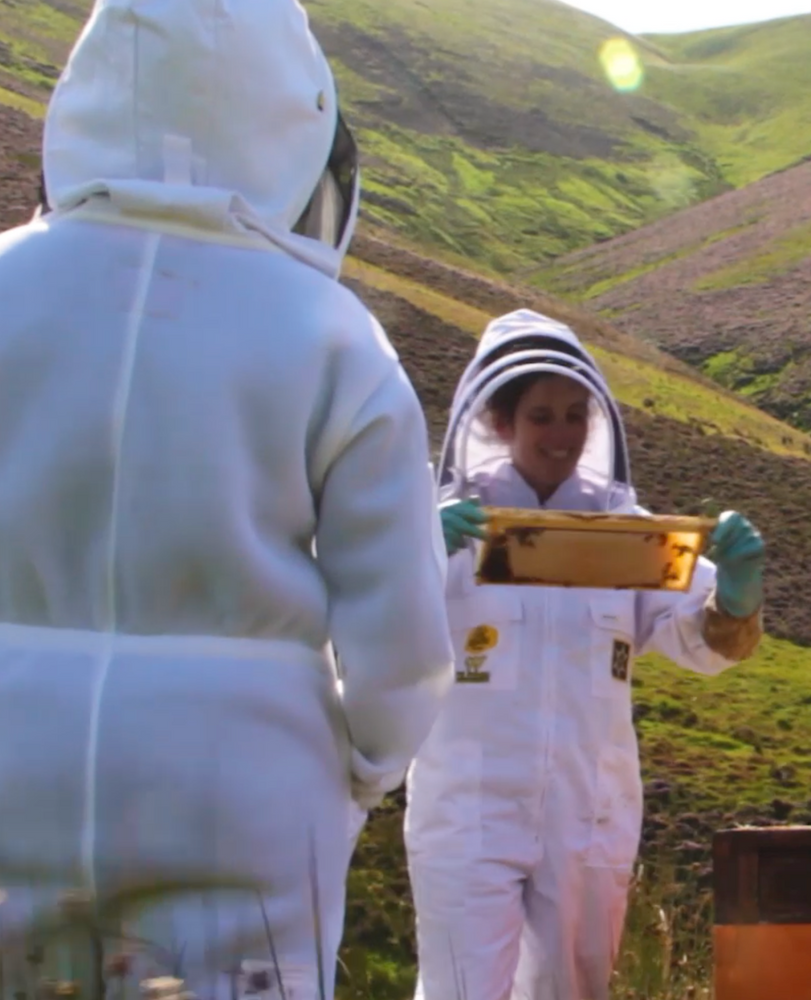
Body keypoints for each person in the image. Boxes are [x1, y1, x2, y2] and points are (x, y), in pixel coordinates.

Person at [0, 0, 454, 996]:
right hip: (245, 792)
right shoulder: (336, 339)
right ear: (299, 126)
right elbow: (404, 648)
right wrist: (356, 776)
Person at [404, 309, 767, 1000]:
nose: (561, 435)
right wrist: (410, 555)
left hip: (591, 807)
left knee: (575, 990)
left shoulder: (626, 536)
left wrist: (741, 595)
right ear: (499, 421)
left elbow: (709, 640)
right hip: (468, 806)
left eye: (575, 415)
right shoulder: (443, 524)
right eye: (541, 416)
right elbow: (363, 631)